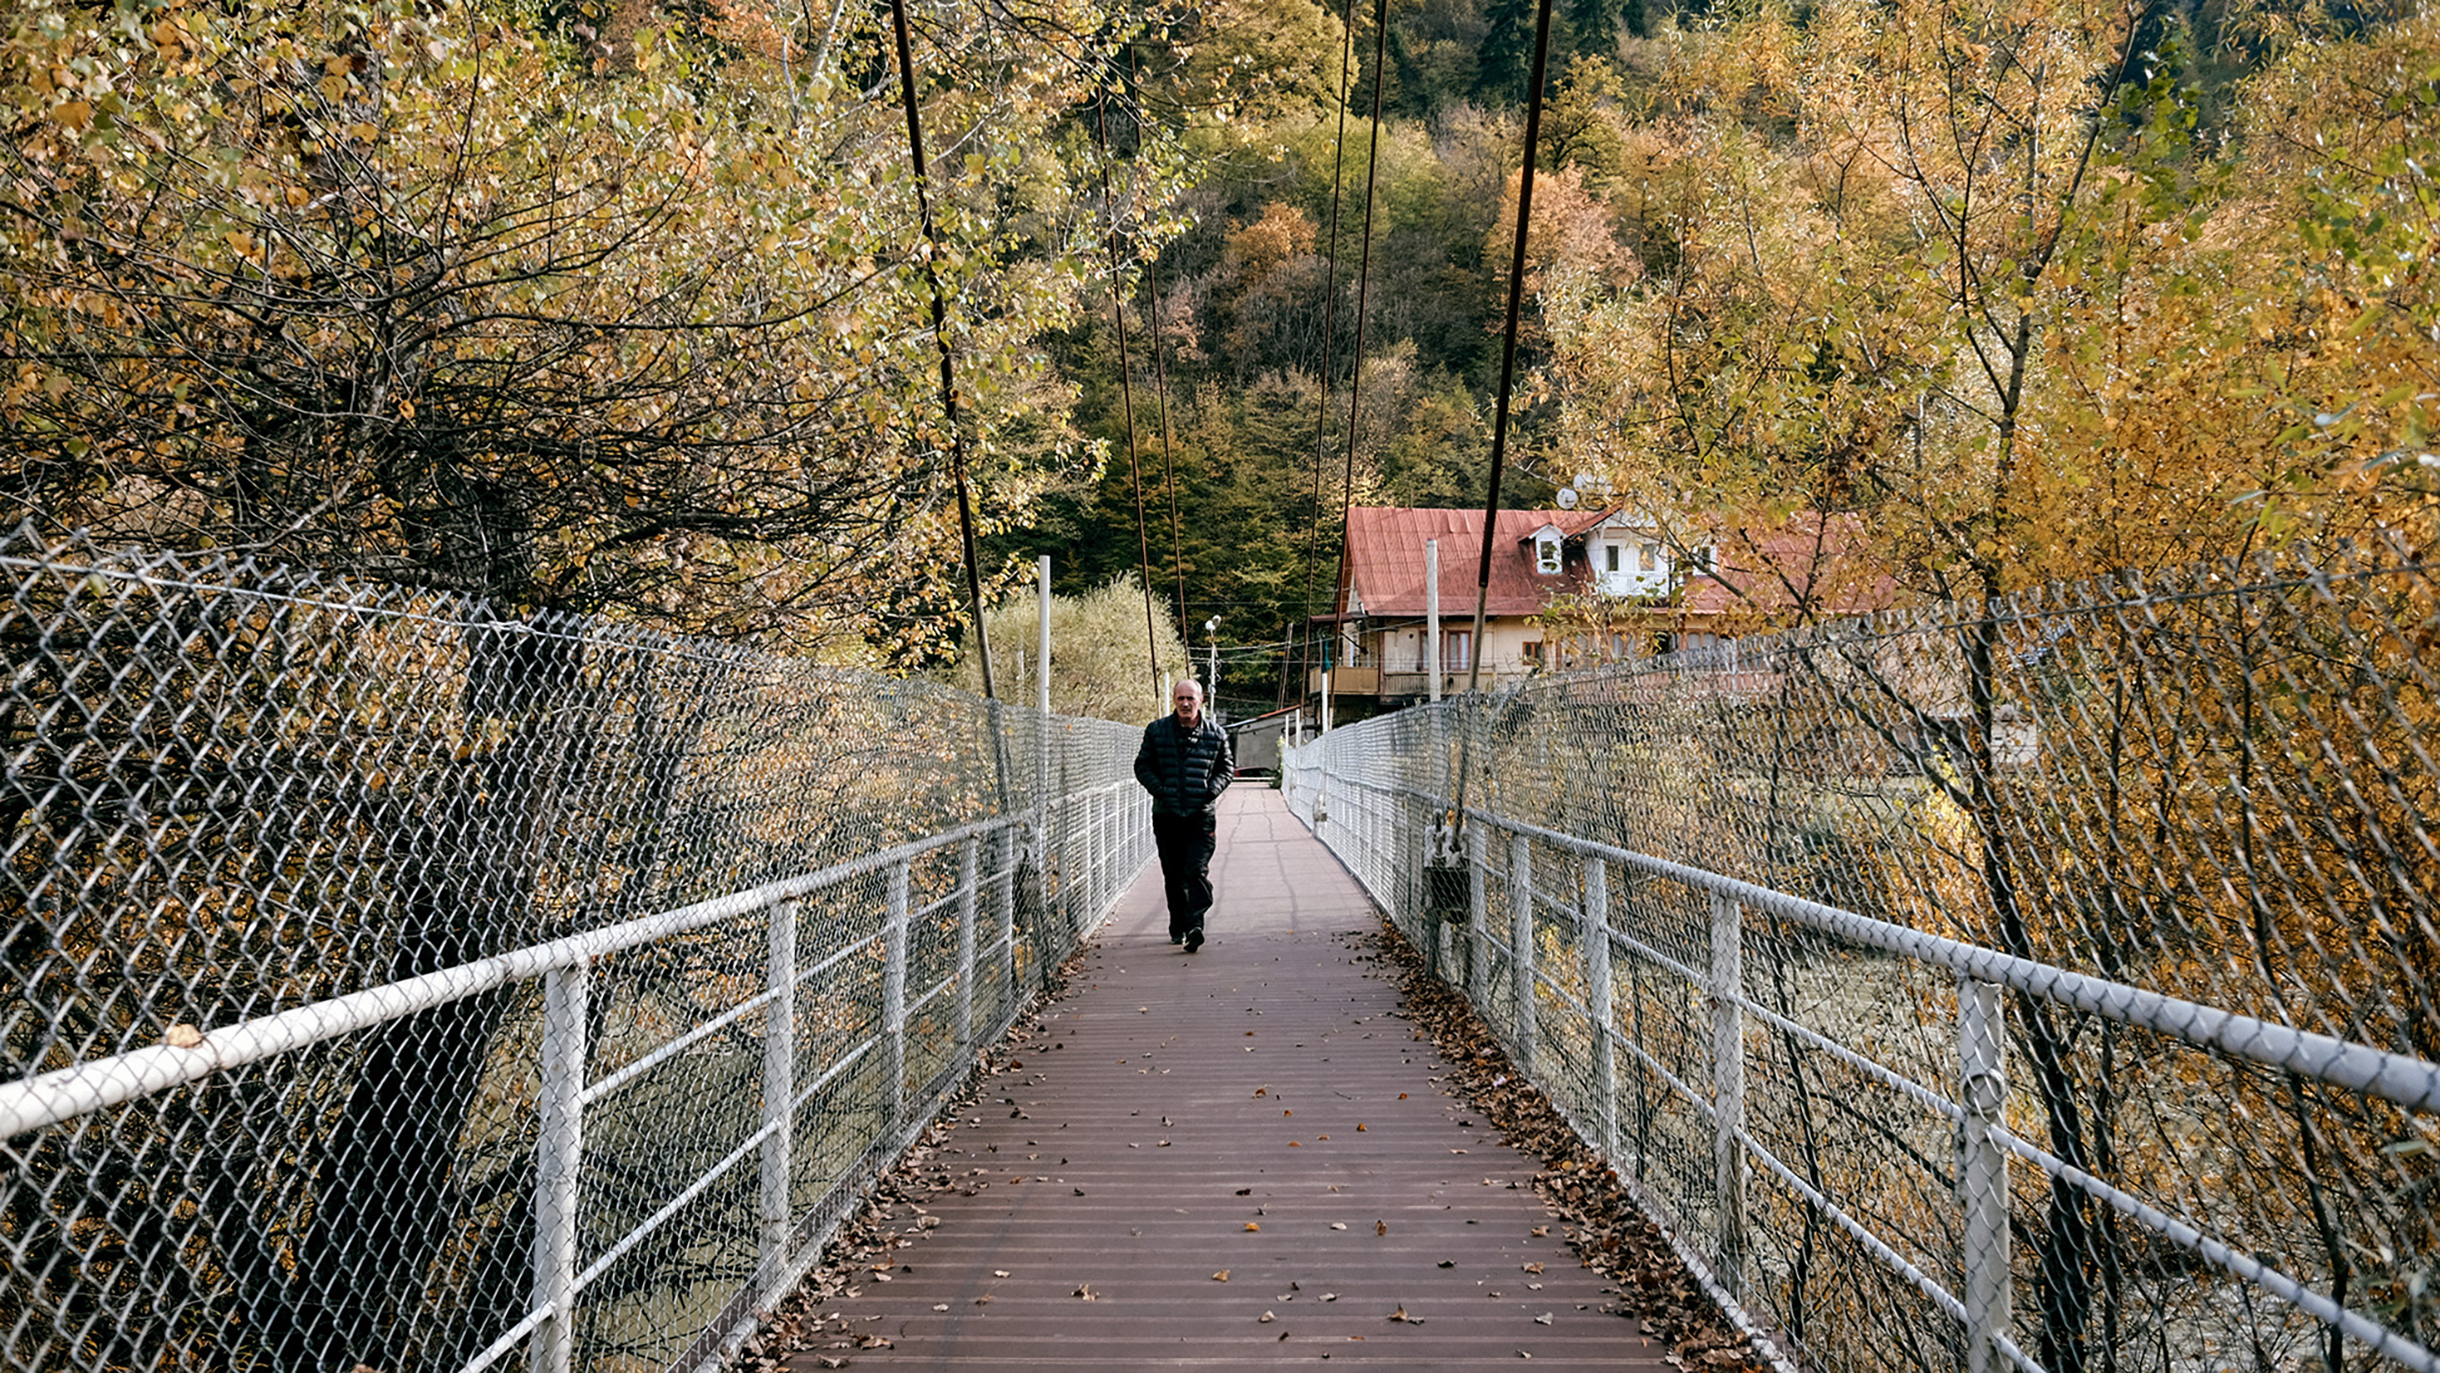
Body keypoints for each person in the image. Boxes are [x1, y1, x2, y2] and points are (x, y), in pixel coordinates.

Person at [1133, 679, 1233, 952]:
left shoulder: (1216, 734)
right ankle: (1179, 925)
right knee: (1174, 875)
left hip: (1200, 816)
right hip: (1167, 815)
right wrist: (1160, 790)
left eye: (1191, 698)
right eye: (1180, 699)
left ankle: (1194, 926)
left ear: (1201, 701)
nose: (1185, 704)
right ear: (1174, 701)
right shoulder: (1157, 731)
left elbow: (1226, 769)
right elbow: (1142, 765)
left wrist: (1211, 791)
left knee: (1196, 870)